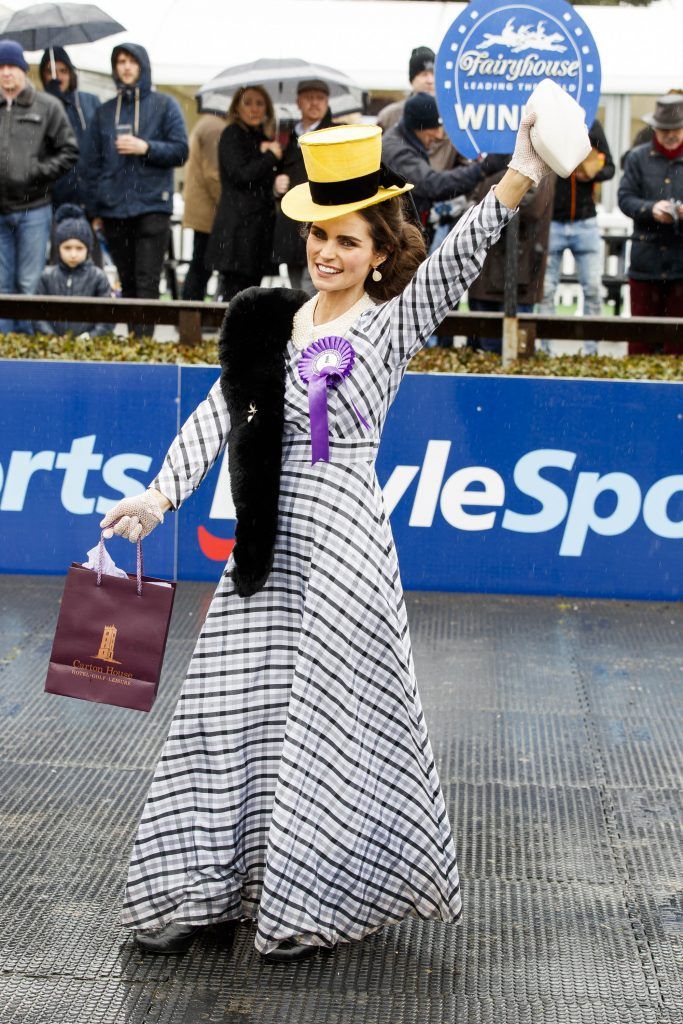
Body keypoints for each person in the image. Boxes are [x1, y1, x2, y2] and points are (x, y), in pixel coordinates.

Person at [99, 109, 558, 963]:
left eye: (347, 242)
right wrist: (158, 496)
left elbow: (457, 260)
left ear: (380, 252)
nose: (327, 254)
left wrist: (521, 168)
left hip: (344, 549)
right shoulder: (267, 320)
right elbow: (219, 414)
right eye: (320, 237)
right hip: (263, 548)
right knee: (220, 711)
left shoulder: (387, 326)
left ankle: (312, 904)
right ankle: (200, 887)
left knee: (328, 726)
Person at [81, 44, 188, 334]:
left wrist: (147, 147)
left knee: (146, 281)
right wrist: (93, 210)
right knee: (126, 281)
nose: (126, 67)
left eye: (131, 61)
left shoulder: (165, 105)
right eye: (120, 62)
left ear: (142, 66)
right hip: (114, 208)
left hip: (153, 205)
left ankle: (145, 348)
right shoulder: (104, 113)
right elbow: (89, 164)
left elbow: (181, 151)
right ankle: (134, 344)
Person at [0, 39, 78, 335]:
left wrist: (37, 172)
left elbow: (69, 151)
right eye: (1, 67)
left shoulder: (47, 106)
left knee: (29, 284)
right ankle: (4, 349)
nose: (6, 73)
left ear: (23, 70)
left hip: (34, 209)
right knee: (2, 286)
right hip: (0, 210)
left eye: (12, 66)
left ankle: (28, 349)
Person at [538, 119, 615, 353]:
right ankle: (546, 350)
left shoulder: (592, 125)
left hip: (584, 221)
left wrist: (591, 175)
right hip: (553, 220)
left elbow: (610, 168)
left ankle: (591, 352)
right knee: (547, 291)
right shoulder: (548, 124)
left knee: (592, 288)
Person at [382, 93, 506, 233]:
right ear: (419, 126)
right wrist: (481, 169)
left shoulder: (404, 139)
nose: (439, 135)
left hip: (405, 229)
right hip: (398, 235)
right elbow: (431, 184)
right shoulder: (397, 151)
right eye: (434, 128)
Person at [618, 94, 683, 354]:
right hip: (646, 263)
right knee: (641, 341)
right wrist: (650, 209)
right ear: (655, 128)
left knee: (678, 346)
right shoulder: (637, 158)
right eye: (665, 129)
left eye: (675, 129)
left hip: (681, 266)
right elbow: (624, 198)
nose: (670, 135)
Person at [206, 85, 282, 302]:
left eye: (260, 103)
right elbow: (241, 175)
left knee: (250, 295)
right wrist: (270, 157)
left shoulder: (259, 138)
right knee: (235, 296)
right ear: (237, 108)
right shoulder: (232, 134)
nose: (254, 109)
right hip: (238, 231)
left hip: (257, 229)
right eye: (247, 102)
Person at [467, 168, 555, 353]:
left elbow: (533, 207)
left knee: (516, 352)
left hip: (521, 272)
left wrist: (490, 197)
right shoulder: (485, 156)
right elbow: (469, 197)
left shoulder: (541, 157)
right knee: (483, 351)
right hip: (484, 269)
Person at [273, 79, 335, 294]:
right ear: (298, 102)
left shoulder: (334, 134)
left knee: (314, 288)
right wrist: (276, 183)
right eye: (309, 98)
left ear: (327, 102)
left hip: (321, 220)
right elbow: (278, 172)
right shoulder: (288, 137)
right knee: (297, 287)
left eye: (320, 98)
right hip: (291, 223)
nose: (314, 103)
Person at [377, 45, 462, 174]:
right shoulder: (389, 115)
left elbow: (465, 164)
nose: (430, 80)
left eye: (434, 74)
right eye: (424, 74)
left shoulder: (454, 116)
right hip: (401, 188)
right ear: (412, 79)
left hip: (443, 189)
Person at [34, 204, 111, 336]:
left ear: (88, 249)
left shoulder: (98, 277)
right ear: (58, 248)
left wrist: (90, 336)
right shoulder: (47, 276)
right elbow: (37, 315)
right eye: (67, 248)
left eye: (79, 248)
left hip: (89, 347)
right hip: (53, 346)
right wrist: (50, 336)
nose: (73, 254)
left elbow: (108, 317)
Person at [39, 47, 101, 209]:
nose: (57, 76)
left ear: (71, 73)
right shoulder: (38, 105)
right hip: (53, 195)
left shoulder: (90, 102)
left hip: (87, 193)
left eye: (63, 70)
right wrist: (52, 102)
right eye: (50, 71)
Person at [181, 110, 226, 300]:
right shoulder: (214, 126)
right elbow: (213, 173)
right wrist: (226, 206)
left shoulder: (207, 123)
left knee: (200, 264)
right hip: (209, 210)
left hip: (203, 207)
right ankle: (190, 317)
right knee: (202, 265)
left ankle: (190, 316)